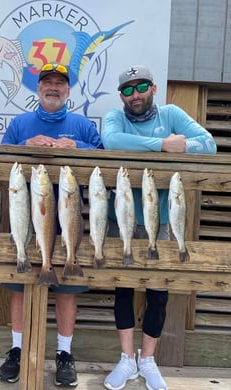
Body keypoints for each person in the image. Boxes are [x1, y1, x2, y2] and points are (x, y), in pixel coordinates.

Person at [101, 65, 217, 390]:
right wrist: (163, 145)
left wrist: (186, 146)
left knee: (158, 292)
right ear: (121, 96)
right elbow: (111, 141)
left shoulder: (172, 113)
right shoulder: (115, 118)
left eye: (140, 88)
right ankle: (126, 359)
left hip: (164, 222)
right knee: (122, 289)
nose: (134, 95)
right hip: (120, 218)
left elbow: (208, 144)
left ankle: (148, 360)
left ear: (153, 87)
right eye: (127, 90)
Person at [0, 63, 103, 388]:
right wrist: (24, 147)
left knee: (67, 291)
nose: (53, 87)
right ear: (38, 88)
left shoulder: (82, 125)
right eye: (47, 82)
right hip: (26, 221)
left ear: (68, 90)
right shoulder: (20, 124)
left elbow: (104, 158)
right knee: (20, 288)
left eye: (60, 83)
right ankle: (17, 350)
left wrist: (78, 148)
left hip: (69, 222)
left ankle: (64, 354)